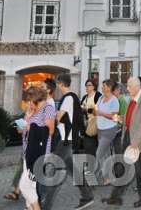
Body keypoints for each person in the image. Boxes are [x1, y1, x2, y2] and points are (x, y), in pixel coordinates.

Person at [42, 73, 94, 210]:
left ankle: (45, 206)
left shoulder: (68, 98)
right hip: (69, 139)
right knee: (73, 170)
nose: (57, 87)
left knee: (56, 172)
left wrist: (45, 118)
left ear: (60, 83)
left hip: (66, 140)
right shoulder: (73, 97)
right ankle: (87, 196)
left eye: (58, 84)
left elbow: (58, 118)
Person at [102, 76, 141, 208]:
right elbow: (130, 117)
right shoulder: (133, 98)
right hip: (129, 136)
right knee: (122, 167)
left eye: (130, 86)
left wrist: (135, 142)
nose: (127, 88)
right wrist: (120, 118)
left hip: (138, 141)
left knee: (139, 170)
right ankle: (115, 197)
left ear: (137, 86)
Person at [19, 86, 55, 210]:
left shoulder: (48, 109)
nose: (28, 104)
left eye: (29, 101)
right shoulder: (33, 110)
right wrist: (25, 122)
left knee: (25, 186)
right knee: (30, 186)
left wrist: (30, 126)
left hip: (39, 153)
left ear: (35, 98)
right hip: (28, 152)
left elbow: (49, 130)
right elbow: (25, 129)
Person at [94, 80, 120, 184]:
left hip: (110, 129)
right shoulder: (100, 98)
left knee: (99, 153)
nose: (102, 88)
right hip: (100, 128)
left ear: (109, 87)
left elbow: (115, 117)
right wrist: (95, 111)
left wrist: (101, 113)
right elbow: (96, 110)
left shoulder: (114, 100)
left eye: (104, 86)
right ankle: (108, 177)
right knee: (106, 154)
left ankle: (104, 175)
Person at [80, 79, 101, 157]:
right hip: (86, 124)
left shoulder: (98, 95)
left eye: (89, 85)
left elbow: (99, 110)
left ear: (94, 86)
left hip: (95, 125)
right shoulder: (85, 97)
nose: (86, 87)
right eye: (86, 85)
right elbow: (81, 108)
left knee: (93, 147)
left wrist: (87, 109)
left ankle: (94, 164)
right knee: (88, 147)